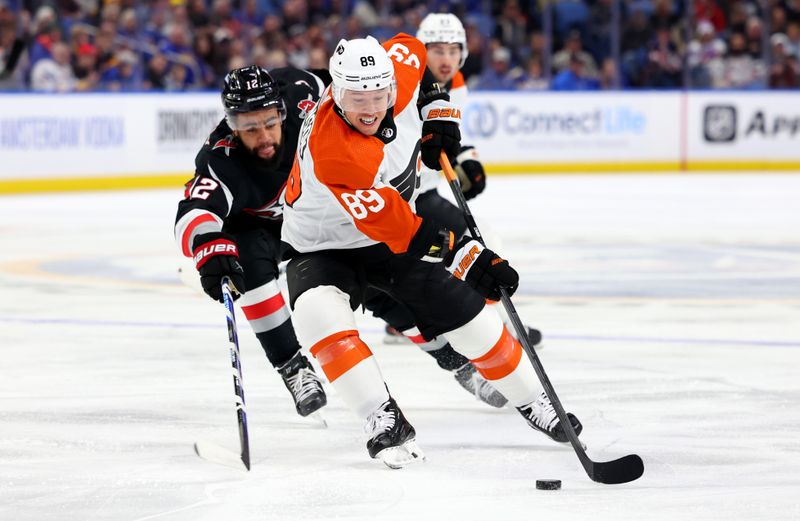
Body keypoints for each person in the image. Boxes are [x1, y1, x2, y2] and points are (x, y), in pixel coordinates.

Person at [281, 34, 583, 468]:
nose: (369, 109)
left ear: (391, 86)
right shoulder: (336, 153)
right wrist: (470, 258)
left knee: (470, 318)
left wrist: (439, 113)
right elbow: (403, 231)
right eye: (354, 97)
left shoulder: (395, 74)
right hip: (322, 245)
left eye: (378, 95)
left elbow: (414, 50)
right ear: (334, 92)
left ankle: (533, 399)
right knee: (316, 314)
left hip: (388, 231)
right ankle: (380, 416)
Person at [366, 13, 545, 409]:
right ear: (420, 51)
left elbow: (448, 138)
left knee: (483, 243)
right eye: (436, 50)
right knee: (432, 261)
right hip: (394, 197)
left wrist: (468, 159)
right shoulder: (396, 85)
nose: (445, 60)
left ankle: (492, 326)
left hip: (422, 190)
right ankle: (456, 328)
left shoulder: (456, 86)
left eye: (453, 50)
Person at [174, 65, 328, 419]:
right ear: (232, 124)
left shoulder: (303, 92)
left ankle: (453, 353)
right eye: (249, 127)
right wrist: (209, 245)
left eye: (270, 123)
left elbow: (346, 78)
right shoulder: (220, 158)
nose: (264, 137)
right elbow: (193, 212)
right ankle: (292, 366)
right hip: (260, 232)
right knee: (244, 257)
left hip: (312, 216)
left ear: (282, 111)